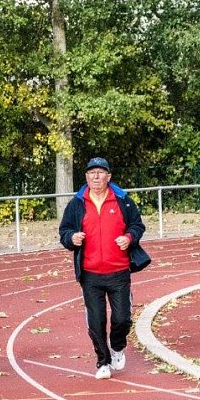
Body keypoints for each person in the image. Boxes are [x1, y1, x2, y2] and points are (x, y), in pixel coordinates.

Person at [59, 157, 148, 380]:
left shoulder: (122, 200)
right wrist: (72, 238)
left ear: (108, 176)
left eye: (100, 172)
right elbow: (64, 231)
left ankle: (117, 346)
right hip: (90, 274)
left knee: (122, 318)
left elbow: (138, 225)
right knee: (96, 321)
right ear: (86, 177)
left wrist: (129, 238)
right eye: (91, 173)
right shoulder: (77, 203)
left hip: (118, 271)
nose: (95, 177)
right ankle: (103, 360)